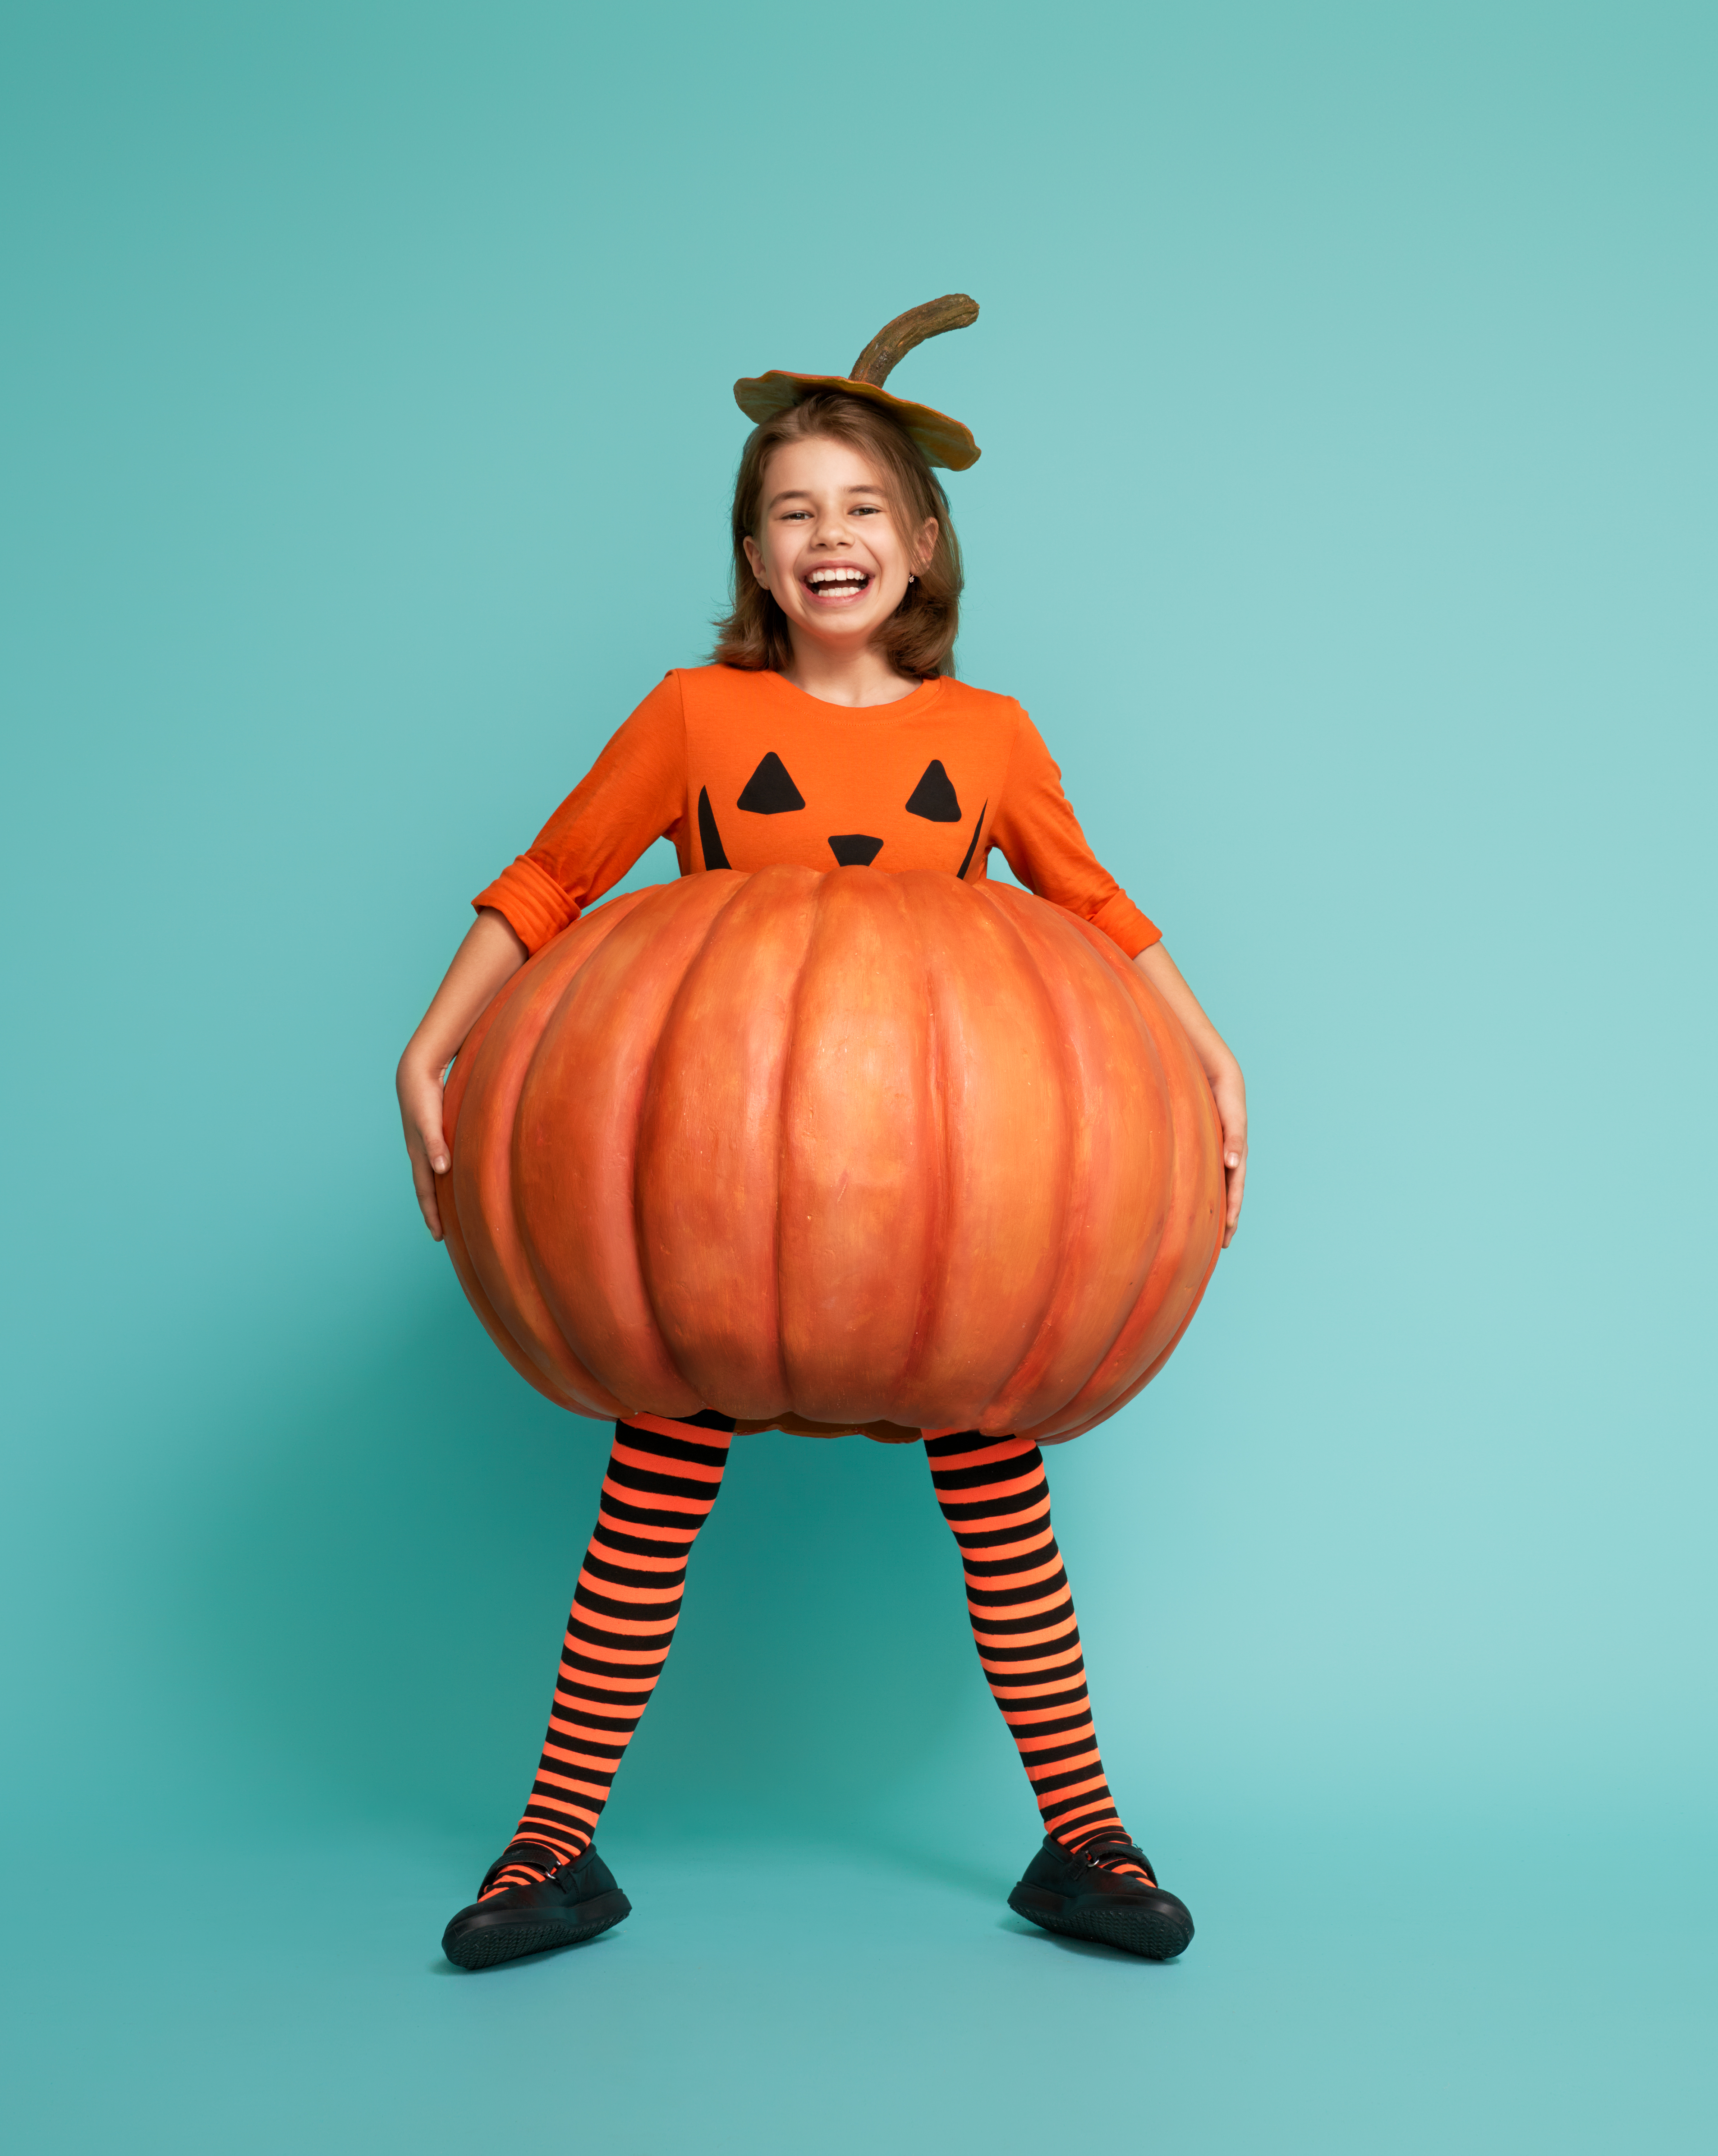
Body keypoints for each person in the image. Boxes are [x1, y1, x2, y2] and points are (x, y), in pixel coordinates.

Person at [393, 306, 1245, 1970]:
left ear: (922, 542)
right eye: (793, 514)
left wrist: (1209, 1056)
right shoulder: (694, 720)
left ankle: (1083, 1842)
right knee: (653, 1477)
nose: (829, 540)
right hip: (714, 1214)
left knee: (1001, 1495)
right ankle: (550, 1847)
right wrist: (432, 1038)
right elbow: (554, 879)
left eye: (861, 509)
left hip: (946, 1228)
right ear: (754, 553)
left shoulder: (983, 739)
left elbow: (1089, 909)